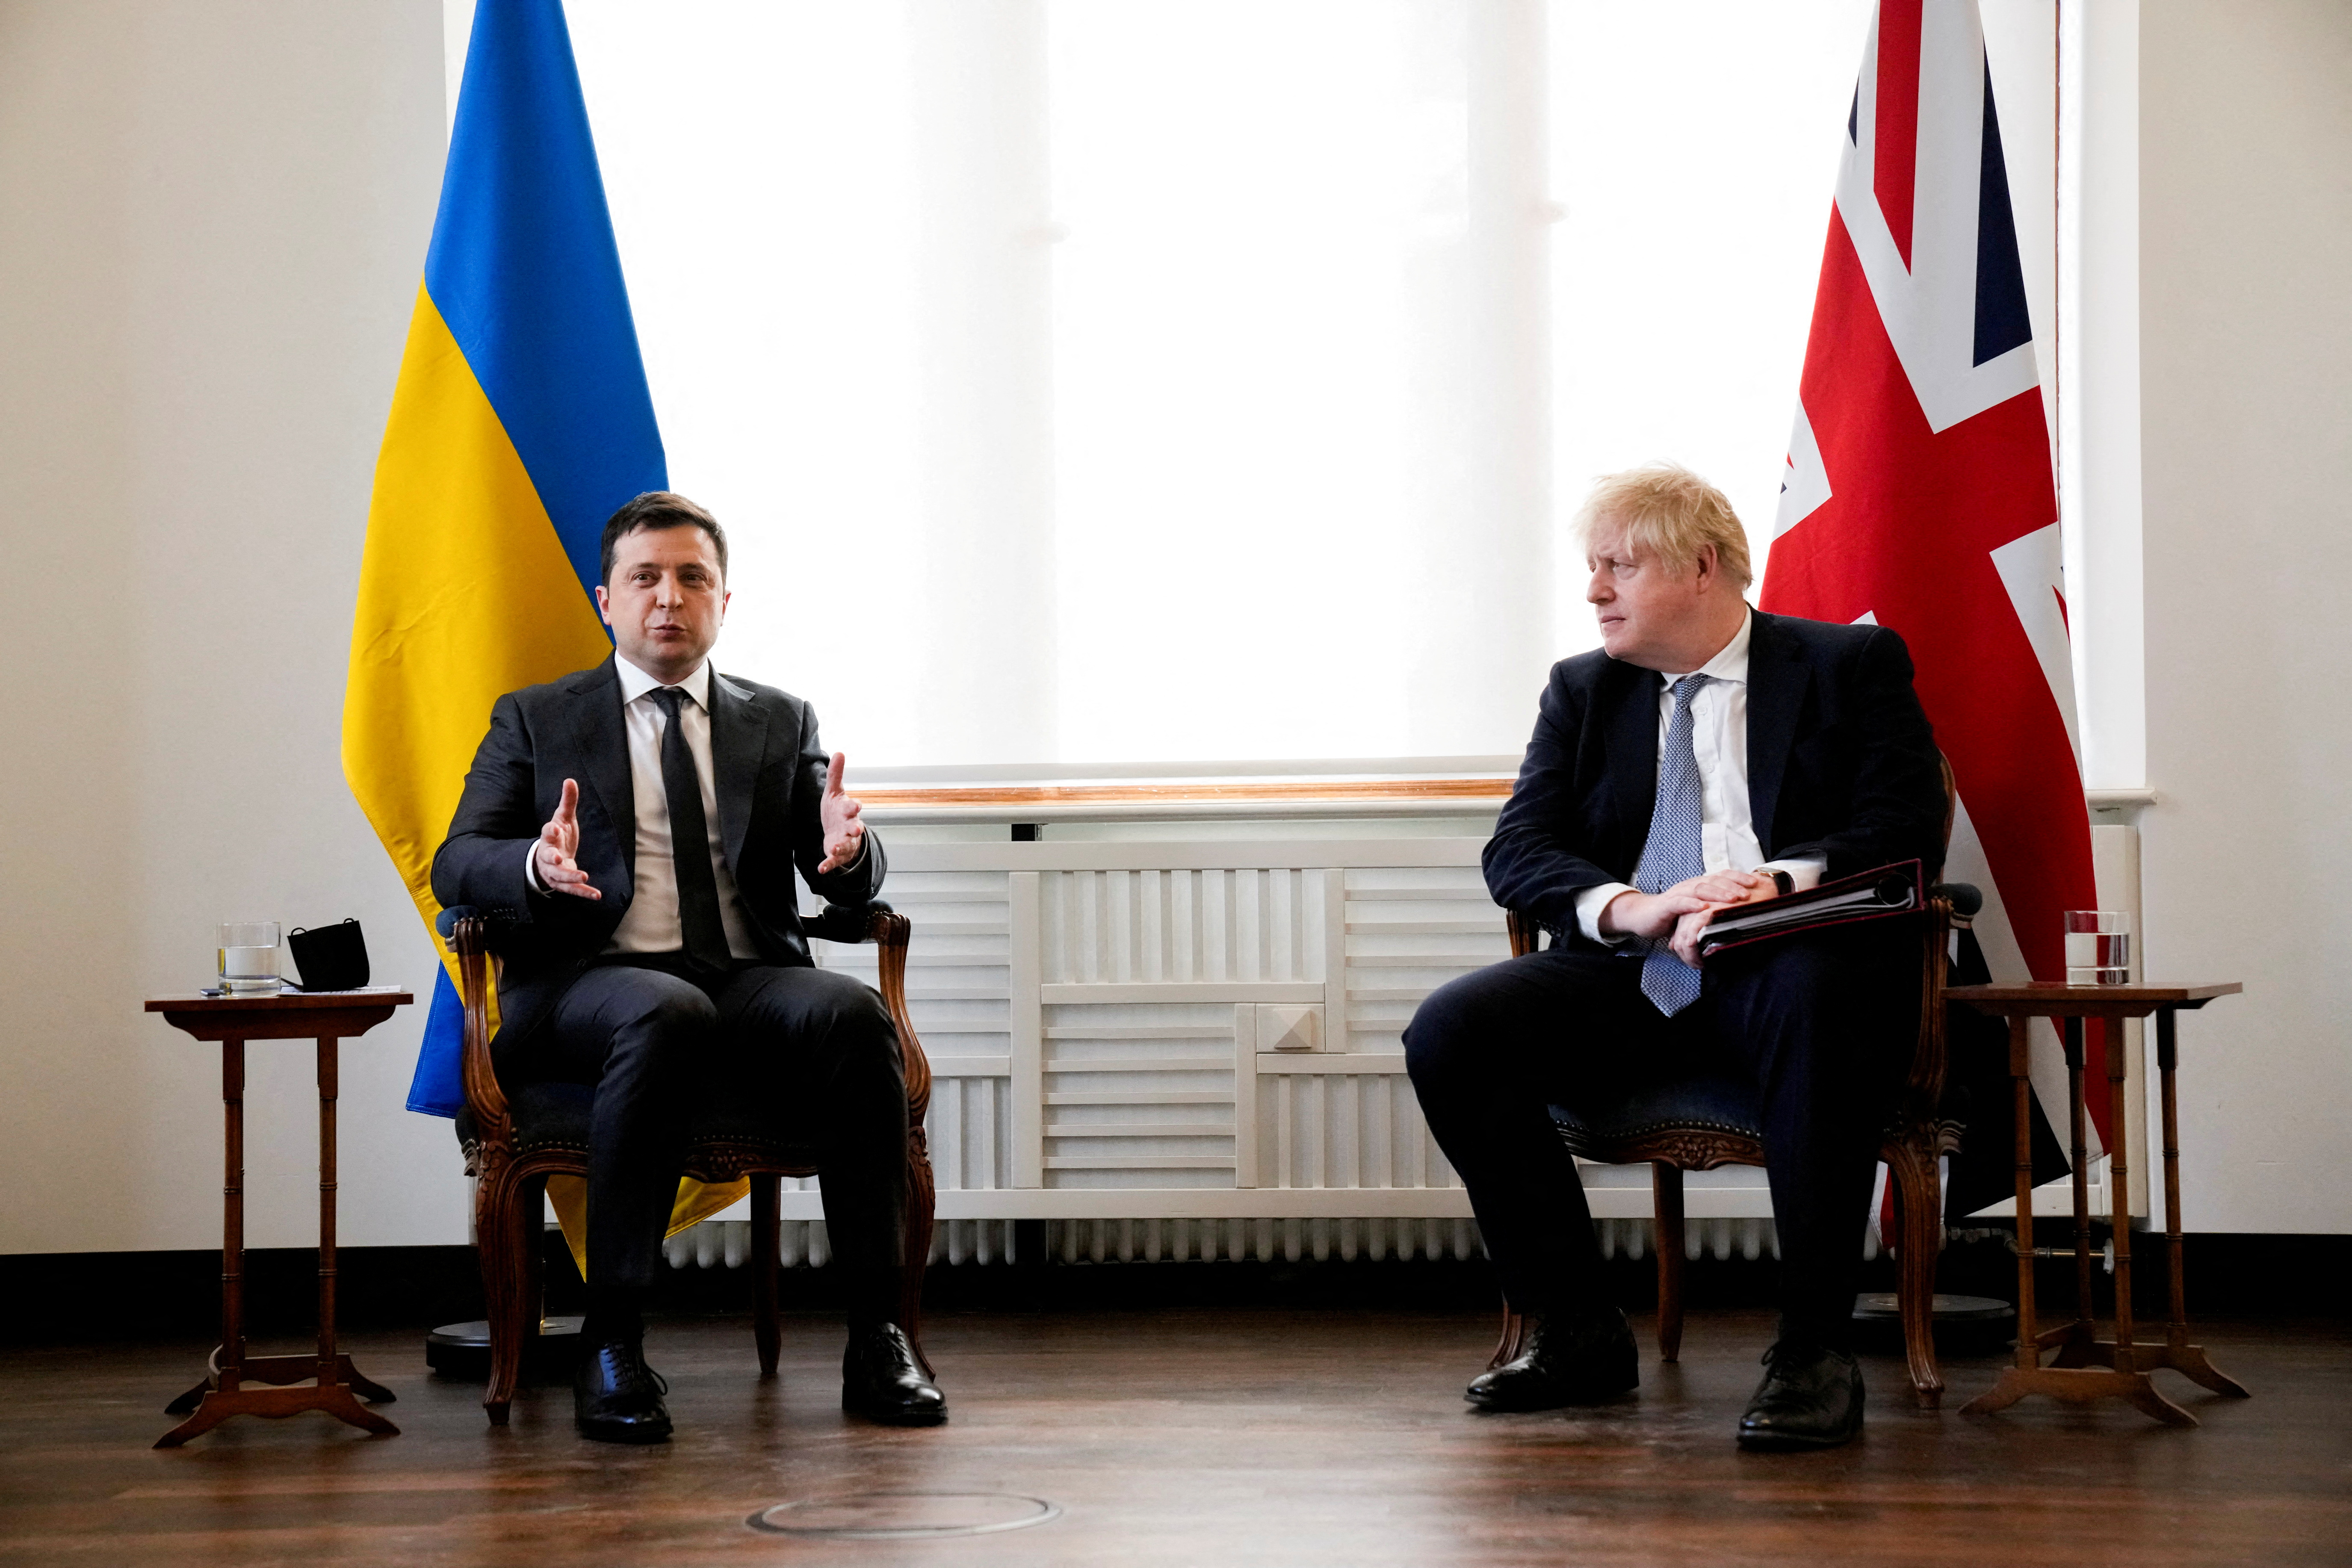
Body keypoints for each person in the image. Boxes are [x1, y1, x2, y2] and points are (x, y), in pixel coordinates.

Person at [1404, 463, 1945, 1450]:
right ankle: (1574, 1330)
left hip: (1785, 963)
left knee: (1811, 989)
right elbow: (1517, 849)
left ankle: (1813, 1349)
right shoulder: (1581, 690)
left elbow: (1902, 826)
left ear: (1701, 567)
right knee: (1453, 1027)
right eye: (1591, 567)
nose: (1594, 590)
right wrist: (1639, 905)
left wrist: (1771, 884)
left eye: (1618, 565)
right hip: (1631, 972)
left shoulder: (1845, 667)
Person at [432, 491, 945, 1444]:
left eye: (691, 577)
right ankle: (612, 1341)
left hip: (743, 977)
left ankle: (880, 1336)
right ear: (606, 601)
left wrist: (847, 852)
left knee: (852, 1017)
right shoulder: (537, 719)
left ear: (722, 599)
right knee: (662, 1011)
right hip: (591, 983)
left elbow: (833, 862)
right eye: (645, 578)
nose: (669, 597)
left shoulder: (776, 718)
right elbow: (457, 859)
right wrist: (535, 867)